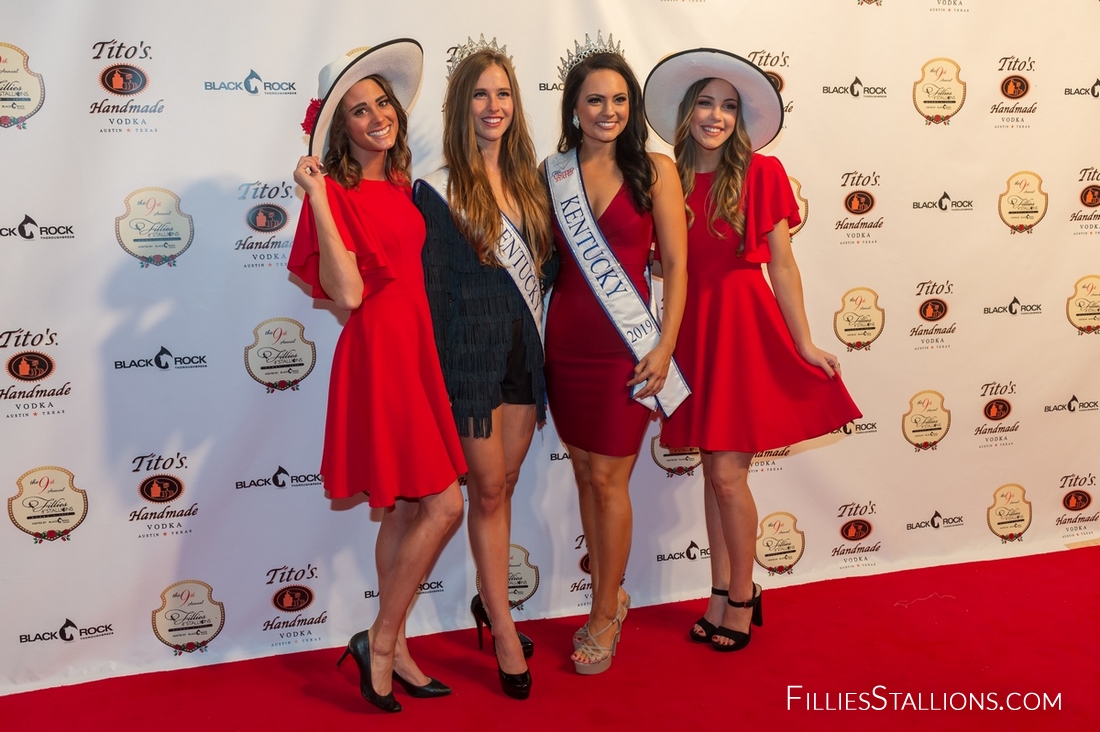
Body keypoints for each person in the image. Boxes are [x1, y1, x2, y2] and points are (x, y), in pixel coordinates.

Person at [643, 48, 861, 652]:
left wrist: (804, 341)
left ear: (740, 118)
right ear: (686, 112)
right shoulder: (666, 179)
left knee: (726, 473)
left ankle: (742, 594)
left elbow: (783, 265)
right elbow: (664, 262)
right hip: (692, 329)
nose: (715, 116)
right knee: (714, 474)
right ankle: (720, 592)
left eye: (729, 106)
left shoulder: (762, 173)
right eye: (705, 103)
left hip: (741, 327)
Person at [287, 40, 466, 712]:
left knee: (408, 507)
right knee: (445, 506)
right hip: (379, 355)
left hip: (414, 350)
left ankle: (398, 647)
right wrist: (319, 197)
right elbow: (349, 293)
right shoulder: (333, 193)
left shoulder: (398, 183)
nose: (376, 116)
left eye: (381, 103)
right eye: (358, 110)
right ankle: (381, 642)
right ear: (341, 127)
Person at [542, 33, 689, 675]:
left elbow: (677, 267)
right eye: (596, 100)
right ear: (574, 108)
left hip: (626, 350)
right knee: (583, 473)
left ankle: (604, 612)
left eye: (620, 99)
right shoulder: (552, 173)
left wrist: (665, 344)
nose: (609, 111)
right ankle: (611, 594)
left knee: (610, 479)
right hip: (566, 343)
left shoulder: (655, 170)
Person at [415, 38, 553, 700]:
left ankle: (488, 599)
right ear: (460, 106)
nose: (493, 105)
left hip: (525, 355)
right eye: (479, 94)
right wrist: (441, 376)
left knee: (507, 483)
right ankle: (502, 627)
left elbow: (548, 273)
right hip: (470, 361)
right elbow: (434, 289)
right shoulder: (438, 189)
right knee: (489, 488)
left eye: (502, 93)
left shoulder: (531, 183)